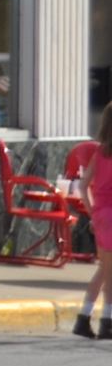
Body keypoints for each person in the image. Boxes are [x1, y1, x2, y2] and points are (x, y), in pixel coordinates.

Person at [69, 103, 112, 338]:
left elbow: (83, 185)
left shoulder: (100, 153)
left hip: (102, 213)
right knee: (108, 271)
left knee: (105, 269)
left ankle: (85, 316)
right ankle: (106, 319)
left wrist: (92, 211)